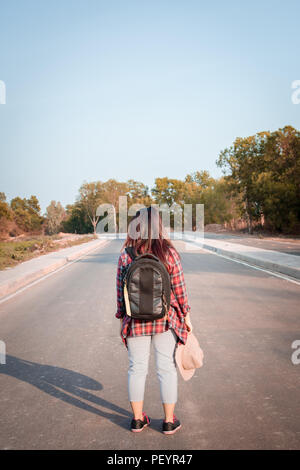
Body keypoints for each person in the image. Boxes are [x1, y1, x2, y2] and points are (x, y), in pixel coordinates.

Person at [115, 206, 192, 435]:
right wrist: (186, 318)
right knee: (165, 369)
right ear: (159, 226)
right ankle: (169, 421)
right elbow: (180, 291)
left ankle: (138, 420)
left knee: (136, 369)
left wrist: (122, 318)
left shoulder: (126, 255)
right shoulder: (169, 253)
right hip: (165, 320)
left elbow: (121, 293)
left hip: (136, 320)